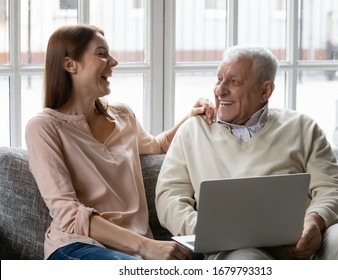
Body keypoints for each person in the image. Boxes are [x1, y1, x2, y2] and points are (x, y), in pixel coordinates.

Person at [155, 45, 338, 260]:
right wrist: (207, 230)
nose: (219, 90)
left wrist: (315, 221)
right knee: (244, 260)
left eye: (233, 82)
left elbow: (332, 187)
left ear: (265, 90)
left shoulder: (302, 127)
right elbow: (168, 196)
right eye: (219, 79)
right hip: (233, 249)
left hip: (304, 244)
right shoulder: (192, 131)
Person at [25, 24, 215, 260]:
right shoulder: (43, 127)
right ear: (70, 64)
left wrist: (192, 116)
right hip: (78, 246)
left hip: (136, 249)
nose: (113, 62)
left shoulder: (123, 115)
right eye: (102, 54)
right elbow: (69, 214)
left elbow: (158, 145)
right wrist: (147, 246)